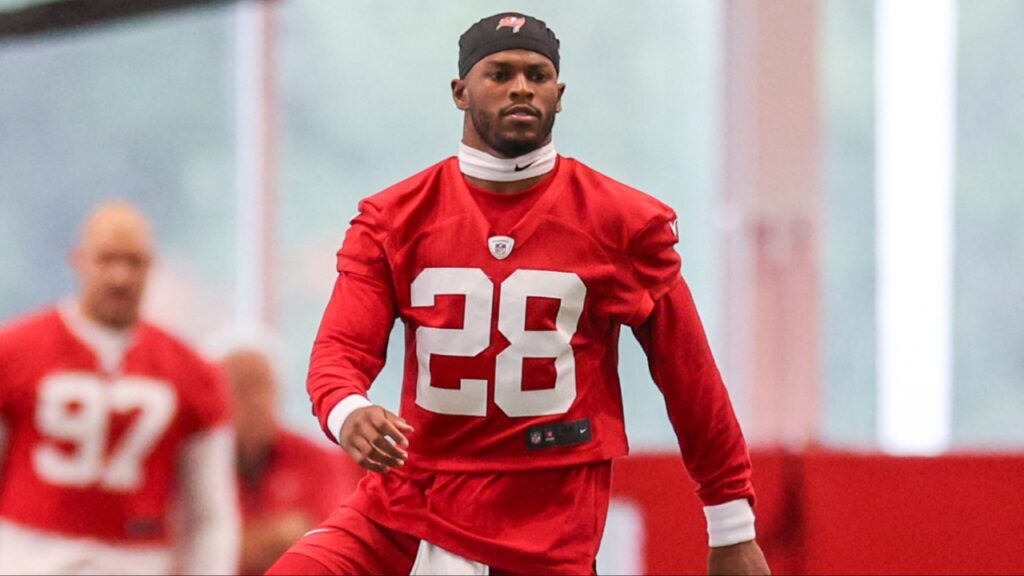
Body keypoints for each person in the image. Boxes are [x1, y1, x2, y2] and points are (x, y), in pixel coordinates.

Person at [270, 12, 770, 575]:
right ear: (460, 91)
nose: (521, 88)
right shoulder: (395, 218)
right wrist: (349, 410)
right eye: (500, 73)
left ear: (559, 94)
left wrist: (732, 526)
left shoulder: (621, 221)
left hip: (542, 527)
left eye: (537, 74)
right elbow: (340, 352)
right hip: (412, 502)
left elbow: (691, 379)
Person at [0, 201, 239, 574]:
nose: (120, 277)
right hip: (27, 556)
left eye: (133, 262)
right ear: (78, 259)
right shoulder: (14, 351)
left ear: (151, 265)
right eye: (107, 259)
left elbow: (210, 513)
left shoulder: (194, 372)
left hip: (136, 560)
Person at [219, 344, 364, 575]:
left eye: (264, 388)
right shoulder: (197, 459)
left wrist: (231, 543)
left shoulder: (315, 458)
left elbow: (333, 546)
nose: (257, 402)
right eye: (243, 388)